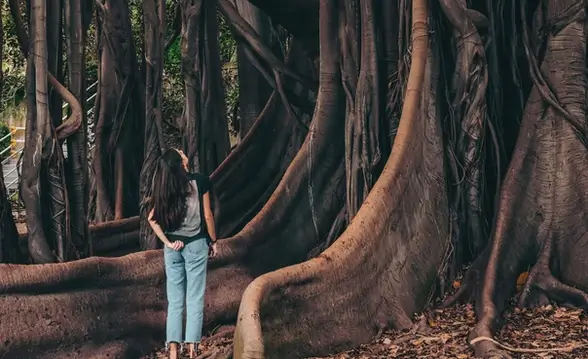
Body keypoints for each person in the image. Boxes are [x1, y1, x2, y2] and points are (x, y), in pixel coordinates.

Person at [148, 148, 218, 359]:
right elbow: (207, 215)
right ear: (181, 162)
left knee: (175, 301)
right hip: (196, 245)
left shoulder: (163, 187)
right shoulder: (199, 181)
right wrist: (213, 241)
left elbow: (152, 218)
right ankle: (192, 350)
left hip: (173, 250)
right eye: (179, 152)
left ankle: (172, 353)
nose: (182, 151)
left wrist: (168, 243)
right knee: (195, 298)